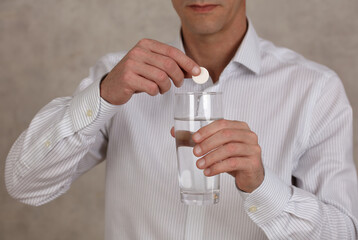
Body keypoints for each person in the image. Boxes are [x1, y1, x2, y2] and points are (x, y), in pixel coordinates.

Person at [5, 0, 358, 239]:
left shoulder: (315, 89)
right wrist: (102, 96)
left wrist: (263, 187)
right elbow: (24, 184)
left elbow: (344, 232)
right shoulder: (117, 78)